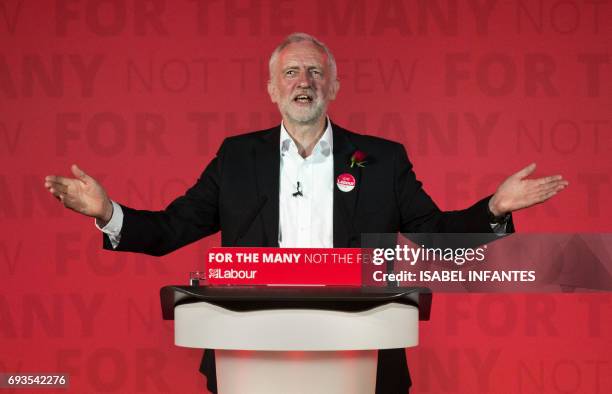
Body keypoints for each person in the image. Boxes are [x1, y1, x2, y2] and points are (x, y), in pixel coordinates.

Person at [45, 33, 568, 393]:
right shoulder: (237, 156)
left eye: (316, 72)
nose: (304, 81)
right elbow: (171, 229)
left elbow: (435, 237)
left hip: (362, 349)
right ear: (272, 89)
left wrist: (495, 208)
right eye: (291, 71)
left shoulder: (381, 158)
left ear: (333, 87)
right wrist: (109, 211)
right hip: (251, 354)